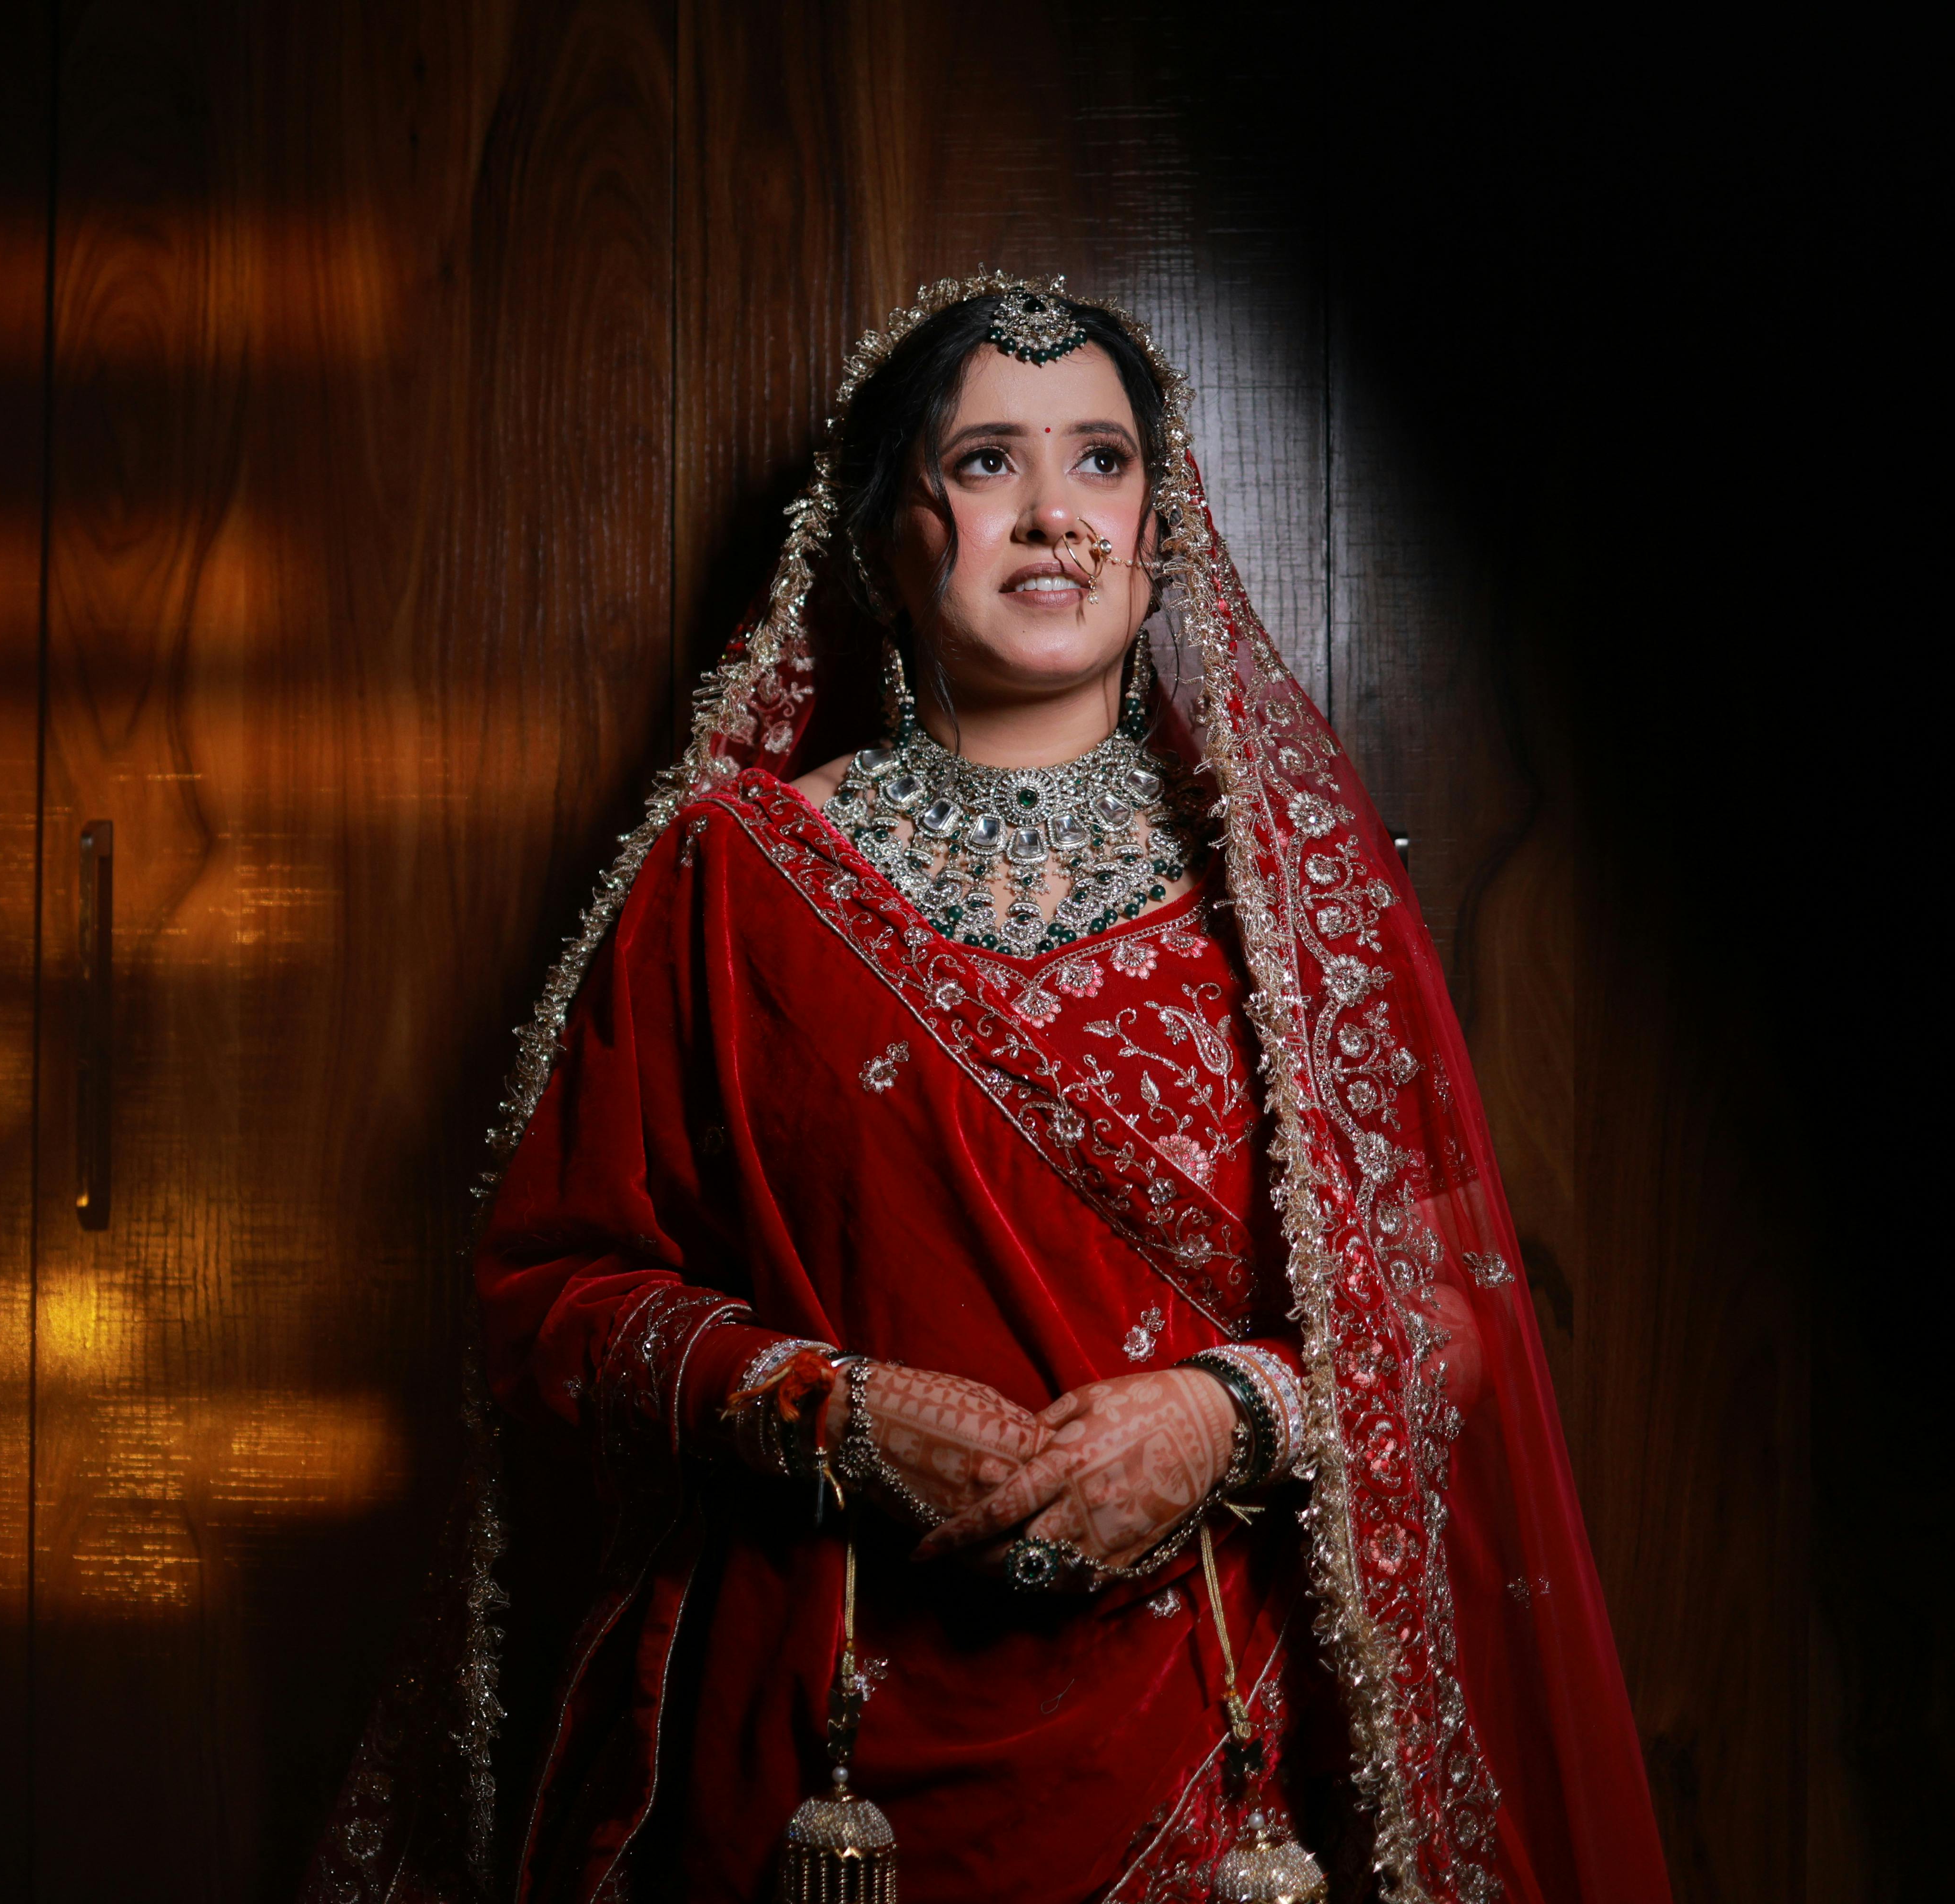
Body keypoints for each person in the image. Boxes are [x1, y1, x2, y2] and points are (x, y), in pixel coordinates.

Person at [306, 274, 1670, 1904]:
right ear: (887, 536)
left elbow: (1449, 1307)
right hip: (825, 1755)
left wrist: (1224, 1413)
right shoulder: (739, 879)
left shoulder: (1292, 890)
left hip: (1213, 1737)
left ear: (1160, 535)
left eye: (1101, 461)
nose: (1053, 514)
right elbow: (551, 1299)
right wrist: (833, 1410)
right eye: (985, 464)